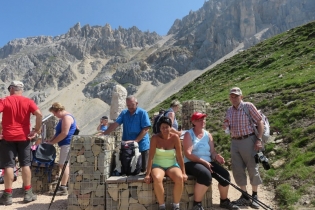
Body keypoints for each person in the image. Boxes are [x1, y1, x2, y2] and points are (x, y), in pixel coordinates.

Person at [183, 112, 240, 210]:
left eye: (203, 119)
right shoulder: (189, 134)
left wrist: (216, 156)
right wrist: (204, 162)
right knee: (205, 175)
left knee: (225, 175)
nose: (202, 122)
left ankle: (224, 201)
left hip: (207, 162)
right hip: (191, 162)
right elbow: (188, 154)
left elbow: (212, 152)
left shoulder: (208, 135)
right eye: (199, 120)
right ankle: (197, 204)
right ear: (193, 122)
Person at [0, 81, 42, 205]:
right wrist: (37, 130)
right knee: (25, 164)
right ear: (21, 90)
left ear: (12, 89)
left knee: (8, 165)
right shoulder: (28, 101)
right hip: (24, 137)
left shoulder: (4, 101)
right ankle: (28, 194)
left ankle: (7, 195)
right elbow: (39, 114)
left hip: (7, 137)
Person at [223, 87, 264, 209]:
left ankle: (255, 195)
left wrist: (259, 139)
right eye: (232, 96)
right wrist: (225, 125)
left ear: (242, 96)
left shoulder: (248, 106)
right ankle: (245, 196)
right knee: (237, 169)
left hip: (249, 140)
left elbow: (259, 122)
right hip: (235, 142)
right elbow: (227, 124)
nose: (234, 98)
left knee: (252, 167)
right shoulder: (229, 110)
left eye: (236, 96)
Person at [144, 116, 188, 210]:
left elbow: (180, 156)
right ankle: (162, 206)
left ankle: (176, 205)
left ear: (170, 127)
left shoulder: (175, 137)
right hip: (158, 165)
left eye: (167, 127)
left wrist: (184, 172)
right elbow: (151, 157)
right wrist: (148, 174)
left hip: (172, 165)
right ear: (159, 128)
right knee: (157, 178)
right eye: (162, 127)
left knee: (179, 178)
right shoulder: (155, 138)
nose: (165, 129)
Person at [103, 95, 151, 173]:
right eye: (128, 105)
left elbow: (146, 128)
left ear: (137, 103)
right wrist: (104, 133)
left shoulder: (142, 113)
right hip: (128, 147)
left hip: (141, 145)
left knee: (142, 169)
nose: (130, 107)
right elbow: (116, 124)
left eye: (132, 105)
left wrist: (135, 141)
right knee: (128, 169)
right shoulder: (124, 113)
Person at [46, 102, 77, 196]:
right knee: (63, 165)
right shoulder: (62, 119)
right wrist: (51, 140)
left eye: (55, 113)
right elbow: (57, 133)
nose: (55, 115)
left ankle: (63, 187)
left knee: (63, 165)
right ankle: (65, 185)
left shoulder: (66, 118)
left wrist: (53, 142)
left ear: (58, 110)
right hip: (64, 144)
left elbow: (64, 133)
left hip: (67, 144)